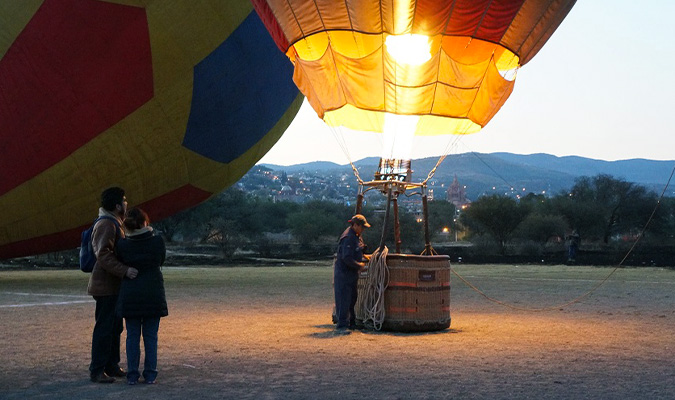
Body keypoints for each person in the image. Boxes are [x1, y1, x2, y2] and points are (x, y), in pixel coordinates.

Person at [87, 187, 138, 383]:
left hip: (113, 286)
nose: (126, 204)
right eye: (124, 201)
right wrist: (124, 270)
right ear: (117, 205)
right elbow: (103, 255)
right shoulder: (107, 224)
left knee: (115, 327)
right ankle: (97, 370)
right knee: (104, 328)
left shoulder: (114, 222)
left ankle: (111, 365)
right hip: (105, 286)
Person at [115, 207, 168, 385]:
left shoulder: (122, 245)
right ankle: (150, 373)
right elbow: (161, 260)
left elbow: (119, 262)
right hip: (153, 292)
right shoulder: (157, 242)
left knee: (132, 336)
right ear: (145, 223)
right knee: (151, 336)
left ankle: (132, 374)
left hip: (131, 294)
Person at [334, 214, 370, 332]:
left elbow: (358, 250)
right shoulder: (348, 238)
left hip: (350, 273)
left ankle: (351, 322)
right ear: (355, 225)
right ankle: (342, 324)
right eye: (362, 227)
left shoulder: (356, 236)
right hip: (344, 273)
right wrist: (359, 265)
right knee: (344, 298)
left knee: (352, 298)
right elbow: (347, 257)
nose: (363, 229)